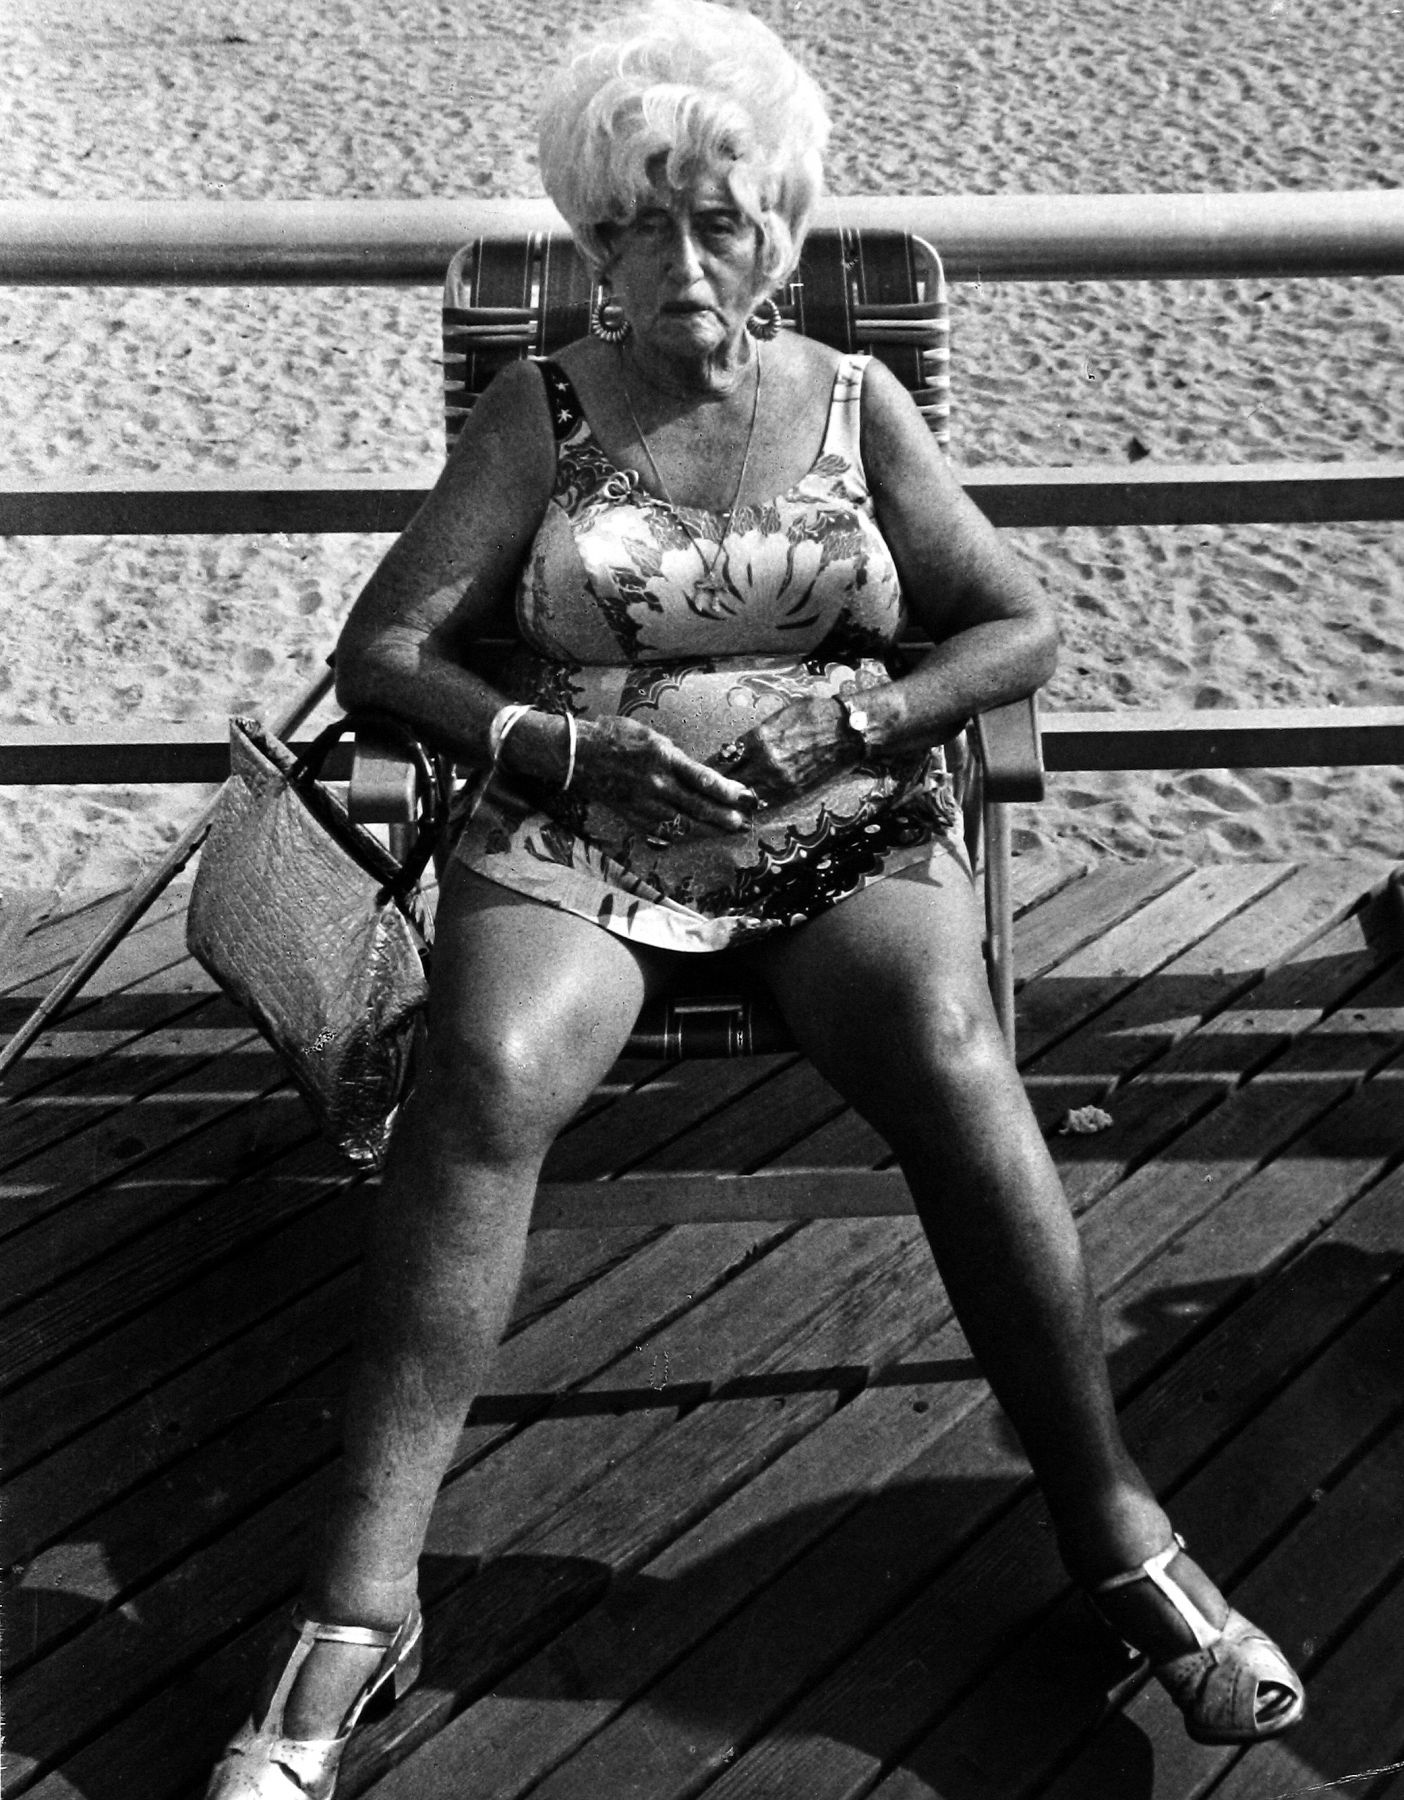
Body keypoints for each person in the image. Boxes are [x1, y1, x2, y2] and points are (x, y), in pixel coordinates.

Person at [206, 3, 1304, 1792]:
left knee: (954, 1053)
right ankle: (361, 1600)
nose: (683, 261)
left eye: (722, 219)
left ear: (783, 229)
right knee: (484, 1068)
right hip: (584, 829)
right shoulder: (537, 411)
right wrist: (563, 756)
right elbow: (387, 651)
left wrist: (870, 712)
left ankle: (1118, 1533)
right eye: (637, 225)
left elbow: (1018, 623)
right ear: (590, 246)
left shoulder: (853, 404)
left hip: (841, 832)